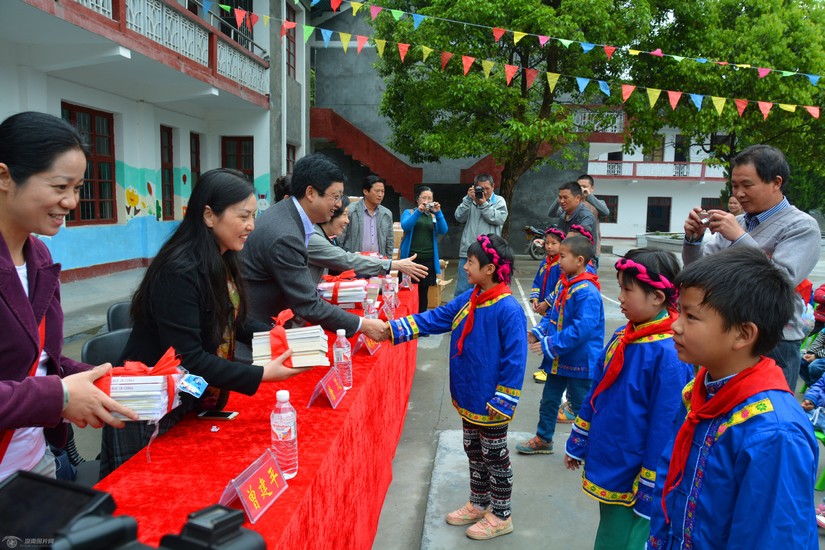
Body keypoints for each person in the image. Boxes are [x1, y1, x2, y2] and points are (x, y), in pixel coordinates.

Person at [99, 169, 301, 477]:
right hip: (148, 407)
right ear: (209, 215)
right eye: (243, 216)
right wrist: (261, 375)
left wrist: (283, 338)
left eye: (253, 216)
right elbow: (189, 359)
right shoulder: (179, 270)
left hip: (186, 397)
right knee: (145, 494)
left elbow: (232, 320)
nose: (251, 225)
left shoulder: (222, 258)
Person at [0, 111, 139, 483]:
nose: (71, 202)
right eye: (60, 186)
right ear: (4, 177)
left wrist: (103, 380)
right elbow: (48, 385)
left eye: (77, 188)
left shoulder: (39, 257)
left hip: (35, 462)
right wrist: (59, 396)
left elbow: (41, 359)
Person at [648, 246, 818, 549]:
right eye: (679, 311)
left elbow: (773, 537)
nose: (675, 325)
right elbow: (671, 477)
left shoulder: (774, 433)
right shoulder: (700, 391)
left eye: (690, 316)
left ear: (742, 334)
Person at [381, 234, 526, 540]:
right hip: (470, 393)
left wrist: (504, 398)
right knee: (473, 450)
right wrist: (391, 329)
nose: (465, 267)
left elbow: (516, 359)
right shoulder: (471, 298)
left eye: (470, 262)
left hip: (492, 400)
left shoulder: (508, 309)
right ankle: (479, 501)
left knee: (494, 455)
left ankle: (502, 514)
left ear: (489, 269)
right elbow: (437, 318)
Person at [564, 249, 693, 549]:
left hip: (635, 472)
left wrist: (651, 484)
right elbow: (596, 392)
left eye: (627, 290)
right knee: (611, 530)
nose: (619, 297)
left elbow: (665, 427)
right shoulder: (625, 336)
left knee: (626, 538)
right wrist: (578, 442)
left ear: (657, 297)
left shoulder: (669, 354)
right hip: (611, 455)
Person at [682, 144, 820, 392]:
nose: (738, 194)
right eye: (735, 185)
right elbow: (699, 274)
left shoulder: (801, 226)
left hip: (774, 341)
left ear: (776, 183)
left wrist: (739, 237)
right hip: (728, 333)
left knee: (764, 409)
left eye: (747, 185)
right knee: (724, 407)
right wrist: (693, 240)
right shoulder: (737, 222)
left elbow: (780, 280)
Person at [240, 154, 387, 352]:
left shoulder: (287, 215)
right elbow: (308, 304)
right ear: (310, 193)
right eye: (335, 197)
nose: (338, 205)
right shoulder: (285, 235)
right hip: (258, 337)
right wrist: (363, 325)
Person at [516, 235, 605, 455]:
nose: (559, 261)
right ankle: (544, 438)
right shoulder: (565, 284)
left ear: (580, 260)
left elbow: (581, 330)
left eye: (563, 256)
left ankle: (594, 447)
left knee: (581, 404)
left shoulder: (587, 291)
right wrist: (537, 333)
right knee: (549, 400)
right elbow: (553, 316)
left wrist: (550, 343)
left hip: (580, 360)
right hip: (559, 358)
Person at [307, 194, 428, 285]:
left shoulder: (325, 237)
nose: (347, 221)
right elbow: (346, 260)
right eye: (344, 215)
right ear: (330, 213)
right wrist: (392, 264)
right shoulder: (313, 239)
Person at [453, 174, 508, 297]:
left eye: (487, 188)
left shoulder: (499, 201)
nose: (484, 192)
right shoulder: (470, 200)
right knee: (463, 290)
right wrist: (468, 200)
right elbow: (459, 217)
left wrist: (483, 204)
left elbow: (499, 219)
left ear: (493, 187)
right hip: (468, 252)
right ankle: (462, 310)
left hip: (489, 254)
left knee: (488, 290)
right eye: (481, 188)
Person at [400, 186, 449, 312]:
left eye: (430, 198)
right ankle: (408, 318)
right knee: (408, 292)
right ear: (418, 199)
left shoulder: (432, 216)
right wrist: (419, 211)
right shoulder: (409, 212)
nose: (427, 201)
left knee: (423, 293)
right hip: (411, 260)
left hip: (428, 260)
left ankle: (421, 320)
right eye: (424, 198)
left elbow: (443, 230)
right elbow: (405, 225)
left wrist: (438, 213)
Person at [529, 226, 565, 384]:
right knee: (547, 334)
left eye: (554, 243)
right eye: (547, 243)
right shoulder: (545, 262)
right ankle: (547, 367)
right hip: (545, 306)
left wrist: (547, 302)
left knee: (552, 334)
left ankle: (549, 369)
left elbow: (559, 287)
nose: (549, 246)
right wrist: (535, 299)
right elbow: (537, 281)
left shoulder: (561, 265)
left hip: (555, 306)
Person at [548, 175, 609, 266]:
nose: (581, 189)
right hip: (566, 253)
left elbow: (606, 212)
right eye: (579, 186)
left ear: (592, 188)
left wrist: (589, 196)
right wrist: (562, 196)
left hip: (585, 253)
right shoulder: (567, 206)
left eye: (584, 186)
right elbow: (551, 213)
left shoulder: (595, 205)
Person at [340, 175, 394, 258]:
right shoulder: (351, 211)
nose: (380, 195)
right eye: (377, 191)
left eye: (382, 191)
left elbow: (389, 241)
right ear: (365, 191)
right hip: (355, 261)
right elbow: (341, 238)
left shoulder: (386, 214)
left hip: (379, 262)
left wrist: (388, 260)